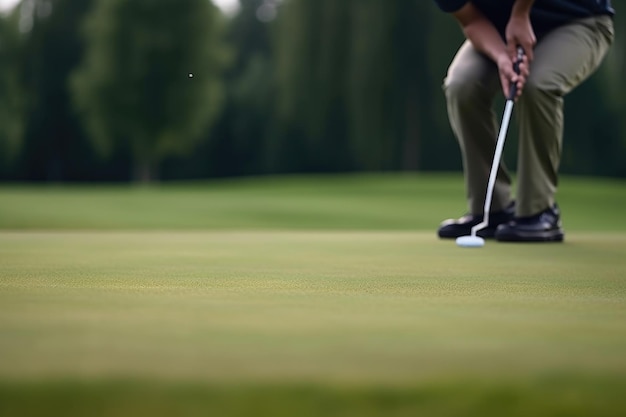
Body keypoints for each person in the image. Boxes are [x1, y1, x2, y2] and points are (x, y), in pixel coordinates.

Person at [434, 0, 614, 242]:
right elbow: (472, 20)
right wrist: (501, 58)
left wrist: (520, 15)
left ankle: (538, 211)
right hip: (501, 29)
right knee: (462, 85)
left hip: (580, 20)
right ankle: (492, 209)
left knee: (538, 84)